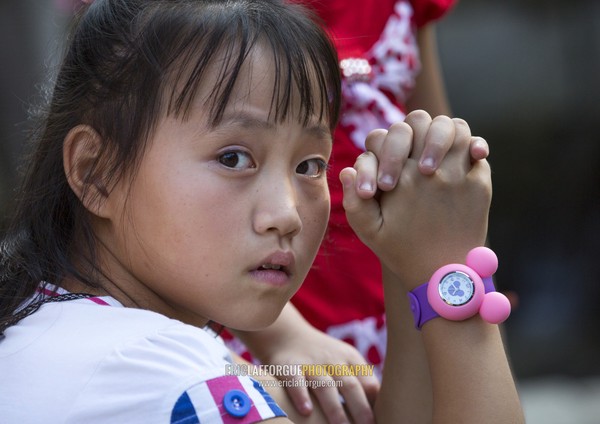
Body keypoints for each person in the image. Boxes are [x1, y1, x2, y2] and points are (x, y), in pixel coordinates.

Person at [0, 0, 524, 423]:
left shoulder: (54, 331)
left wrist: (411, 267)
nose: (287, 214)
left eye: (311, 164)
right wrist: (451, 274)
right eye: (233, 158)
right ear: (97, 171)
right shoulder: (174, 382)